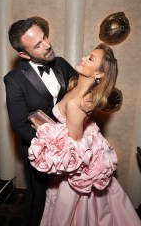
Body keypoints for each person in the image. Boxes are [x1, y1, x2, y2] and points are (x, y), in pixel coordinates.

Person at [28, 43, 141, 226]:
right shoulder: (78, 92)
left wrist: (45, 134)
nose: (83, 58)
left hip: (73, 171)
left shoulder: (77, 102)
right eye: (87, 55)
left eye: (91, 59)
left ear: (99, 74)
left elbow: (73, 152)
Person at [3, 16, 93, 226]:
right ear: (23, 54)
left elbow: (78, 91)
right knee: (38, 199)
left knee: (63, 197)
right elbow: (19, 125)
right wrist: (53, 147)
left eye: (44, 37)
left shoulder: (61, 63)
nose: (47, 44)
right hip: (39, 149)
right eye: (38, 44)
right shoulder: (14, 79)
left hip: (70, 144)